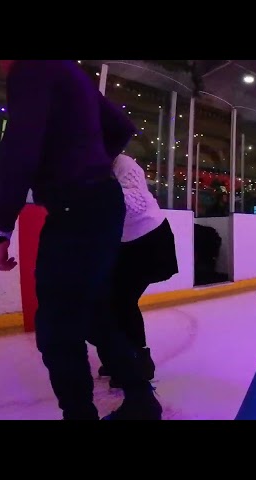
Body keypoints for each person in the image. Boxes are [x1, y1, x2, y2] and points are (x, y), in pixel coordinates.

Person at [0, 60, 161, 420]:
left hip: (76, 209)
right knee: (94, 313)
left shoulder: (31, 69)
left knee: (56, 329)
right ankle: (141, 400)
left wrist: (0, 228)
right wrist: (89, 162)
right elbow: (119, 125)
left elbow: (19, 149)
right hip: (98, 203)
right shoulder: (66, 69)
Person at [96, 154, 178, 389]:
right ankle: (119, 356)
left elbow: (135, 204)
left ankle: (139, 361)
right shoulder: (94, 165)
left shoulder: (122, 163)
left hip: (149, 241)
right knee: (112, 300)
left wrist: (97, 193)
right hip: (125, 244)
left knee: (123, 299)